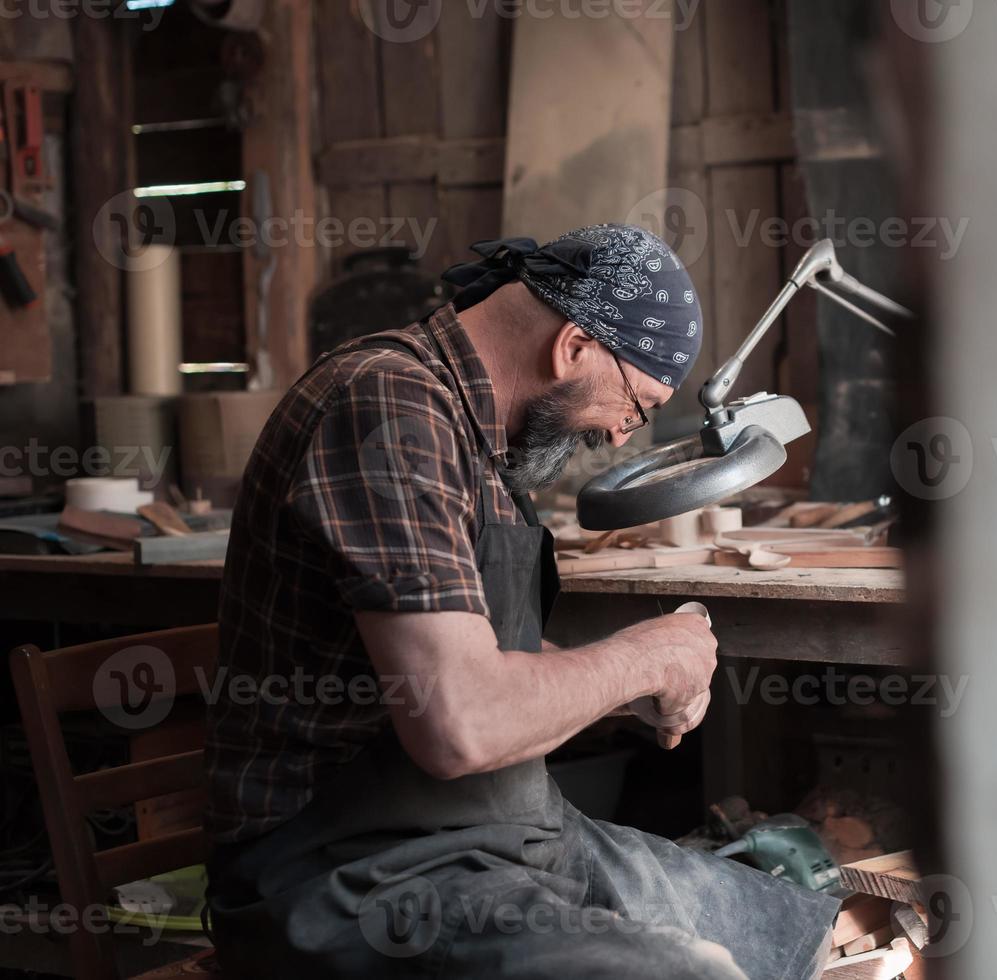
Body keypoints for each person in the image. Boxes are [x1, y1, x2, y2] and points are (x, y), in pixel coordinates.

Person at [202, 224, 838, 979]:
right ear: (573, 346)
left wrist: (615, 690)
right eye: (635, 408)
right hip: (350, 870)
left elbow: (478, 655)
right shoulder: (386, 407)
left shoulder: (476, 435)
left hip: (496, 832)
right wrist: (643, 658)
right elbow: (462, 724)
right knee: (682, 974)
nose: (616, 436)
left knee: (784, 926)